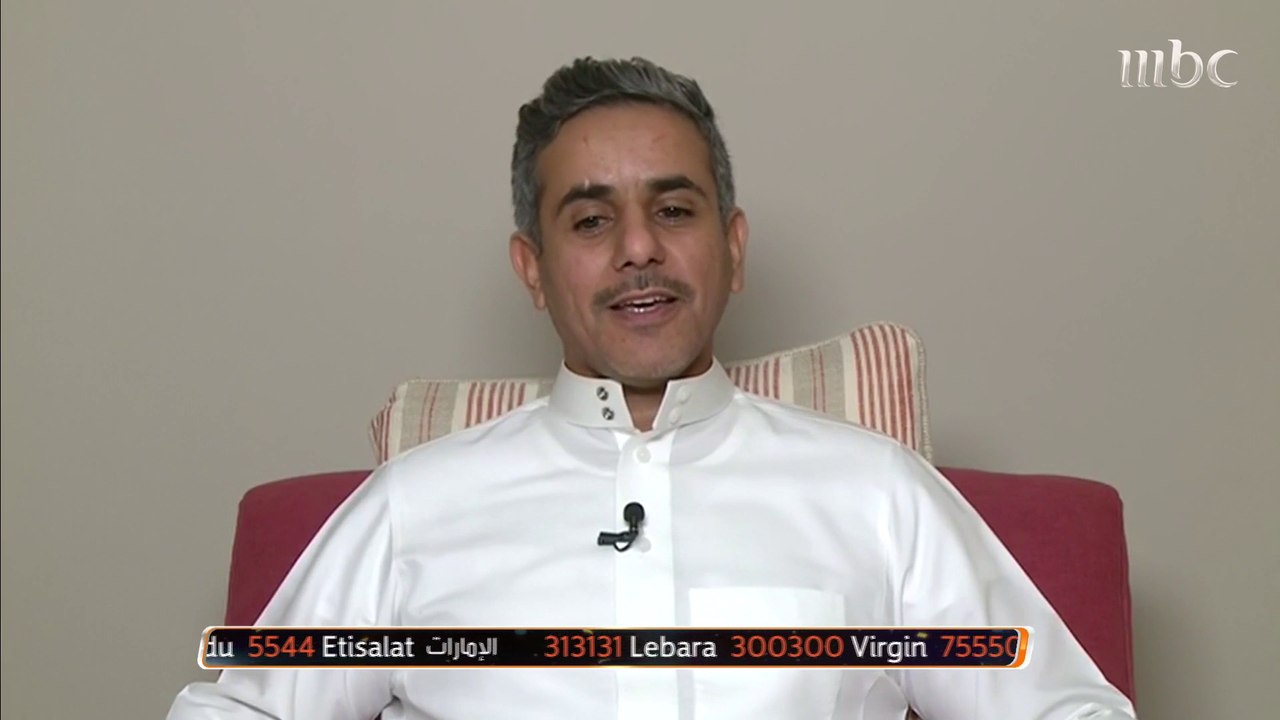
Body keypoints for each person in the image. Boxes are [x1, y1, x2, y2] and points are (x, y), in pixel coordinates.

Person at [168, 56, 1137, 719]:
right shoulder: (412, 506)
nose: (638, 249)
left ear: (732, 247)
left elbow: (1063, 708)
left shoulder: (878, 494)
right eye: (591, 221)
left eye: (673, 210)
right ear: (532, 268)